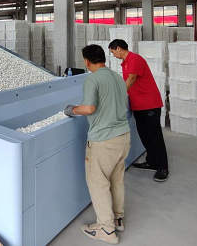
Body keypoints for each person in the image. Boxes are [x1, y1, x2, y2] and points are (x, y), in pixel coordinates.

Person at [64, 44, 131, 244]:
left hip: (104, 140)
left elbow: (89, 108)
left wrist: (72, 110)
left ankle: (106, 229)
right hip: (123, 136)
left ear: (86, 61)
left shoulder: (92, 79)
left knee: (98, 183)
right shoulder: (117, 77)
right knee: (116, 179)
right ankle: (118, 218)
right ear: (104, 58)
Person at [109, 39, 169, 183]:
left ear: (118, 48)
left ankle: (163, 167)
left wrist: (118, 96)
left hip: (149, 103)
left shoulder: (134, 58)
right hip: (138, 105)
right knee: (144, 134)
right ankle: (152, 162)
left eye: (113, 52)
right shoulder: (125, 62)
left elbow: (132, 78)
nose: (113, 55)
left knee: (155, 135)